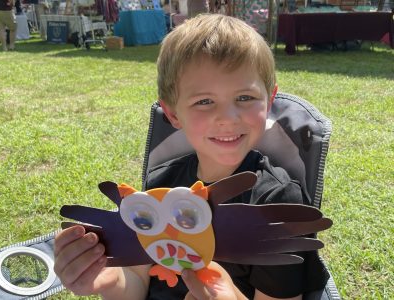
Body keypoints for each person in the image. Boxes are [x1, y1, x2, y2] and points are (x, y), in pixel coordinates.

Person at [54, 14, 330, 299]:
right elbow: (137, 280)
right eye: (204, 101)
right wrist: (109, 280)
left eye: (245, 98)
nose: (227, 117)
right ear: (173, 114)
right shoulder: (162, 182)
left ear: (269, 101)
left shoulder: (278, 203)